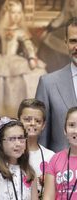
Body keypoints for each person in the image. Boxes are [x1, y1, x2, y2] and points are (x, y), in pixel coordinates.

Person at [0, 0, 46, 118]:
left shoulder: (21, 32)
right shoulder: (0, 30)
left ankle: (18, 110)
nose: (16, 16)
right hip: (1, 59)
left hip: (16, 60)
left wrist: (31, 57)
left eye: (18, 13)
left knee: (28, 75)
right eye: (13, 13)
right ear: (6, 13)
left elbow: (28, 45)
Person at [36, 17, 77, 152]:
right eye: (73, 41)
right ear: (66, 43)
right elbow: (40, 143)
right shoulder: (48, 84)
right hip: (59, 170)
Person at [0, 117, 38, 200]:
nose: (18, 144)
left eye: (21, 138)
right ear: (0, 143)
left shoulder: (29, 171)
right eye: (12, 139)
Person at [18, 98, 54, 199]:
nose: (32, 123)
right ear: (18, 121)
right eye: (27, 119)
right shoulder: (11, 155)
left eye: (38, 121)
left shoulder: (51, 156)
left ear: (43, 125)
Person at [43, 106, 77, 199]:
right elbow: (48, 197)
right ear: (64, 130)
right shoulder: (55, 159)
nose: (76, 131)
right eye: (71, 125)